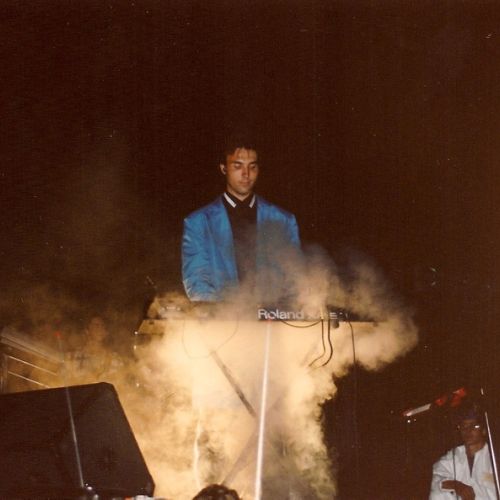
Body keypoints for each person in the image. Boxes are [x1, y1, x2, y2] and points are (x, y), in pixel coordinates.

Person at [182, 136, 301, 302]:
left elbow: (294, 277)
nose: (246, 174)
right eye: (238, 166)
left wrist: (281, 311)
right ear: (224, 168)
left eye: (252, 167)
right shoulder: (198, 222)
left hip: (273, 315)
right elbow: (197, 279)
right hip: (221, 315)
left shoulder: (284, 220)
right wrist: (223, 314)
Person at [429, 405, 496, 499]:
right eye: (464, 426)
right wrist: (457, 485)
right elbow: (435, 476)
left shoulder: (494, 456)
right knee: (438, 493)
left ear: (484, 430)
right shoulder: (455, 455)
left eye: (474, 426)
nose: (468, 430)